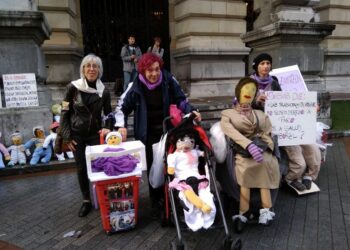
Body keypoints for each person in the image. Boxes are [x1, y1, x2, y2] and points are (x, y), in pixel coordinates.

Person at [114, 52, 201, 218]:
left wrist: (192, 111)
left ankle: (174, 198)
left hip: (169, 132)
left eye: (156, 69)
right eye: (149, 70)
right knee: (154, 169)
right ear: (142, 71)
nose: (154, 74)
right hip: (147, 135)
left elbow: (181, 100)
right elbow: (121, 107)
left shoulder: (168, 80)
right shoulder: (136, 86)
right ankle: (157, 203)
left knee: (171, 166)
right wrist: (121, 126)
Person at [250, 52, 321, 191]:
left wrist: (310, 107)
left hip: (286, 122)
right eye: (262, 63)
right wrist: (256, 101)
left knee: (314, 150)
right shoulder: (249, 83)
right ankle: (290, 179)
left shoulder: (274, 82)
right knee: (298, 161)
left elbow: (286, 102)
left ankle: (309, 176)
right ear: (256, 66)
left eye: (268, 63)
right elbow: (241, 103)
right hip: (268, 126)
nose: (265, 66)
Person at [220, 77, 280, 233]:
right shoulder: (228, 114)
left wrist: (266, 146)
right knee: (246, 170)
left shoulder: (259, 114)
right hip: (241, 152)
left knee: (267, 163)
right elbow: (231, 132)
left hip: (261, 150)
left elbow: (267, 132)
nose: (249, 93)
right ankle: (242, 212)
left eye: (252, 90)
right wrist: (248, 145)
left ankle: (266, 210)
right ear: (239, 92)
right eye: (246, 90)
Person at [59, 54, 113, 217]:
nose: (91, 69)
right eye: (88, 66)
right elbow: (64, 111)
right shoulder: (72, 88)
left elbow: (109, 114)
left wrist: (107, 128)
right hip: (77, 135)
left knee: (99, 165)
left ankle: (103, 195)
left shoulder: (103, 91)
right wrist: (67, 136)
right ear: (83, 69)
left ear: (99, 70)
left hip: (95, 134)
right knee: (81, 167)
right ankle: (86, 200)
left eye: (95, 66)